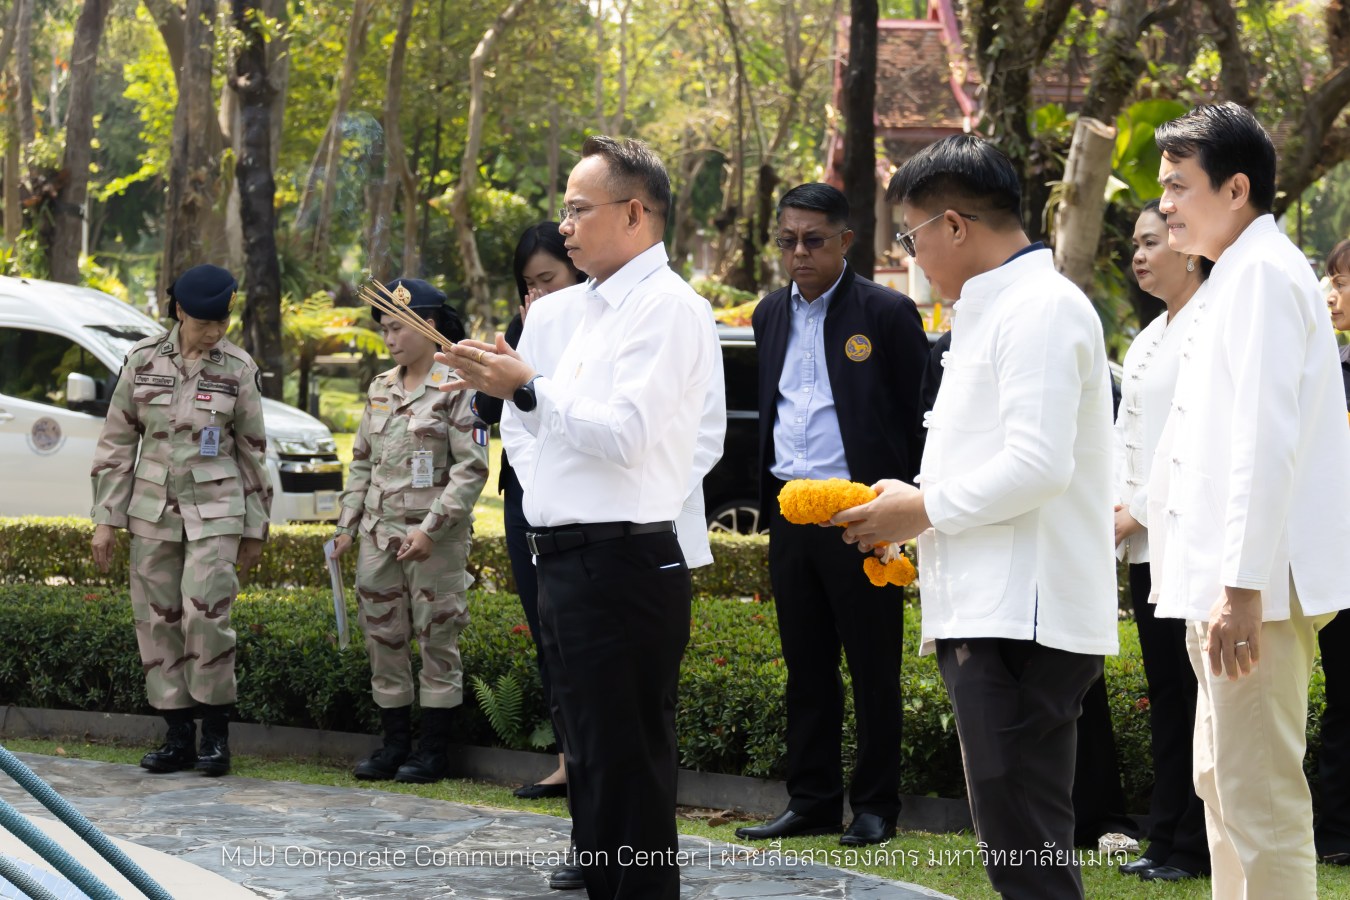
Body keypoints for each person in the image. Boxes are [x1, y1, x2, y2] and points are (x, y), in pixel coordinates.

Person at [437, 135, 723, 900]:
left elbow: (626, 435)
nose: (563, 226)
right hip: (559, 555)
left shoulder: (670, 309)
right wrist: (530, 406)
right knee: (589, 763)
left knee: (629, 769)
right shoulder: (562, 312)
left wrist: (530, 387)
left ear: (634, 213)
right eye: (563, 209)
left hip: (628, 561)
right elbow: (525, 434)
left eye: (577, 209)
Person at [834, 134, 1118, 898]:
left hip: (1022, 618)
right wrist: (911, 501)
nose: (910, 255)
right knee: (1015, 841)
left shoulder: (1039, 309)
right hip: (996, 611)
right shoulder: (999, 307)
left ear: (954, 226)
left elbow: (1038, 464)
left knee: (1025, 845)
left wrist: (921, 509)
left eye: (910, 236)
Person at [1146, 102, 1350, 898]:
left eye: (1178, 185)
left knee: (1257, 797)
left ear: (1236, 189)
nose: (1165, 204)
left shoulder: (1262, 275)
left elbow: (1264, 443)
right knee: (1223, 784)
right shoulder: (1236, 274)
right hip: (1227, 582)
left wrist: (1240, 585)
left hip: (1251, 588)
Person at [733, 182, 928, 847]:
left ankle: (875, 805)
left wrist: (905, 505)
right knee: (806, 665)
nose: (799, 252)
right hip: (791, 513)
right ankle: (811, 800)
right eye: (787, 240)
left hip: (863, 518)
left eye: (813, 240)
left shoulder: (887, 312)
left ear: (846, 240)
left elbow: (917, 416)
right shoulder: (768, 313)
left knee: (873, 666)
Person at [90, 263, 272, 778]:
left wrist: (256, 528)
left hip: (217, 512)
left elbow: (253, 452)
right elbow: (116, 444)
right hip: (151, 511)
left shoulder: (238, 368)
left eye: (222, 322)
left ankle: (214, 736)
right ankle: (177, 737)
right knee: (158, 620)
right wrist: (105, 519)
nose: (215, 332)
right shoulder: (142, 360)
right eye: (205, 322)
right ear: (179, 312)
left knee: (206, 615)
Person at [332, 278, 488, 784]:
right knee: (383, 637)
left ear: (429, 325)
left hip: (432, 540)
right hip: (378, 535)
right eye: (384, 329)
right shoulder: (380, 387)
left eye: (398, 327)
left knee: (437, 637)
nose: (389, 338)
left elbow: (471, 468)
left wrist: (432, 530)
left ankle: (433, 751)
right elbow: (362, 462)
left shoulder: (457, 386)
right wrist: (346, 527)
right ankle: (394, 746)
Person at [1109, 200, 1210, 882]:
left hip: (1189, 538)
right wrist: (1119, 511)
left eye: (1153, 241)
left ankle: (1196, 845)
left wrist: (1139, 510)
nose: (1139, 256)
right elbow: (1126, 440)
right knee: (1166, 695)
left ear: (1189, 248)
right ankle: (1164, 836)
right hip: (1145, 546)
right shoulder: (1147, 338)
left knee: (1197, 695)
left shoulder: (1209, 325)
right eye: (1136, 245)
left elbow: (1196, 438)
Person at [473, 223, 587, 802]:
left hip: (578, 499)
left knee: (581, 634)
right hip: (523, 495)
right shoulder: (525, 327)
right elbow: (485, 406)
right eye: (528, 285)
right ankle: (567, 759)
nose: (538, 294)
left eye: (548, 279)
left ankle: (593, 761)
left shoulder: (596, 329)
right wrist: (519, 339)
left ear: (578, 271)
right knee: (545, 629)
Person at [1313, 239, 1350, 867]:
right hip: (1340, 555)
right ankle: (1336, 829)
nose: (1332, 293)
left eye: (1341, 282)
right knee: (1343, 697)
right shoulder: (1332, 365)